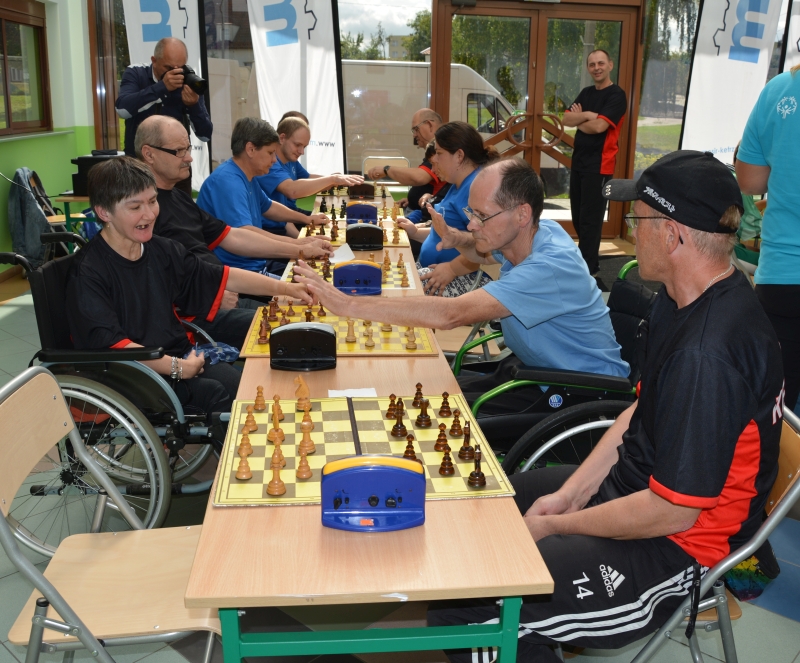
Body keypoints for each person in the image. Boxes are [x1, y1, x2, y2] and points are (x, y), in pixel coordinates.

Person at [425, 150, 785, 663]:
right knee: (483, 507)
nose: (631, 230)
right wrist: (570, 495)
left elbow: (673, 510)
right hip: (634, 491)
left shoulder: (709, 354)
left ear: (672, 234)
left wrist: (557, 525)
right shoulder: (680, 299)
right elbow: (635, 414)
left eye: (638, 218)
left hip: (678, 549)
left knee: (469, 605)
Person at [295, 160, 628, 450]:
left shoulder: (548, 267)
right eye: (471, 213)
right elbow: (483, 251)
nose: (471, 224)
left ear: (522, 214)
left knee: (425, 420)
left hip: (578, 397)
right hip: (530, 372)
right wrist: (458, 239)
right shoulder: (538, 232)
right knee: (426, 396)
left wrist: (348, 305)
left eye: (481, 216)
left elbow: (451, 314)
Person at [66, 157, 311, 430]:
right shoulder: (88, 272)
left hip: (177, 355)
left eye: (152, 201)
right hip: (130, 373)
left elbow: (221, 275)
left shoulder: (162, 250)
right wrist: (177, 367)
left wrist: (286, 289)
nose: (149, 214)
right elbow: (111, 345)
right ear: (104, 212)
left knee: (245, 392)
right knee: (220, 398)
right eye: (135, 207)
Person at [135, 116, 332, 345]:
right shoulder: (146, 217)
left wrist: (300, 246)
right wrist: (297, 251)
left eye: (187, 149)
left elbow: (231, 235)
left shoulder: (179, 197)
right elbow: (163, 282)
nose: (189, 157)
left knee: (306, 314)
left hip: (225, 289)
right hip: (199, 310)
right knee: (301, 331)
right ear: (149, 154)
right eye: (179, 151)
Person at [736, 64, 800, 414]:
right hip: (781, 272)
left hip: (782, 276)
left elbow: (750, 181)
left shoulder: (779, 90)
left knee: (778, 410)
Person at [197, 118, 329, 275]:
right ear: (250, 149)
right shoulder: (228, 181)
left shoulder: (247, 176)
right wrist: (299, 246)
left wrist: (306, 220)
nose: (274, 160)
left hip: (255, 264)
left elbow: (269, 207)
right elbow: (245, 234)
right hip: (238, 273)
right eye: (270, 153)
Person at [398, 121, 497, 298]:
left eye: (439, 153)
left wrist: (452, 269)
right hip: (438, 270)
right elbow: (446, 233)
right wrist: (415, 232)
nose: (434, 159)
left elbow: (486, 244)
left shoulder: (475, 187)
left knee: (397, 292)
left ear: (459, 156)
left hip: (460, 276)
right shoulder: (457, 184)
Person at [115, 37, 212, 195]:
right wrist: (161, 88)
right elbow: (122, 109)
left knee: (181, 210)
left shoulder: (188, 80)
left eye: (180, 68)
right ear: (154, 61)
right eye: (168, 67)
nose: (174, 73)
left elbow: (205, 135)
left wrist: (194, 106)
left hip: (177, 171)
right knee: (139, 209)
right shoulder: (137, 73)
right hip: (139, 169)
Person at [562, 49, 627, 275]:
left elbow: (600, 127)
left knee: (591, 221)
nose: (596, 68)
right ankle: (589, 262)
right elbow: (566, 118)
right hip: (579, 163)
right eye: (592, 64)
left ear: (610, 65)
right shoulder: (586, 92)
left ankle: (587, 269)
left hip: (600, 166)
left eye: (600, 63)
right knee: (578, 218)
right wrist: (589, 115)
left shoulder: (617, 95)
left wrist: (581, 120)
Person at [255, 116, 364, 215]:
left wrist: (334, 180)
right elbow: (292, 190)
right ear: (282, 138)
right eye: (297, 145)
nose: (301, 152)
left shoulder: (290, 159)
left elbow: (308, 178)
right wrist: (332, 179)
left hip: (288, 218)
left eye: (304, 147)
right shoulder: (270, 164)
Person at [367, 109, 445, 212]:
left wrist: (386, 170)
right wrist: (411, 200)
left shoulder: (440, 151)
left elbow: (420, 177)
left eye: (416, 129)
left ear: (430, 125)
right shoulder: (433, 151)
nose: (414, 135)